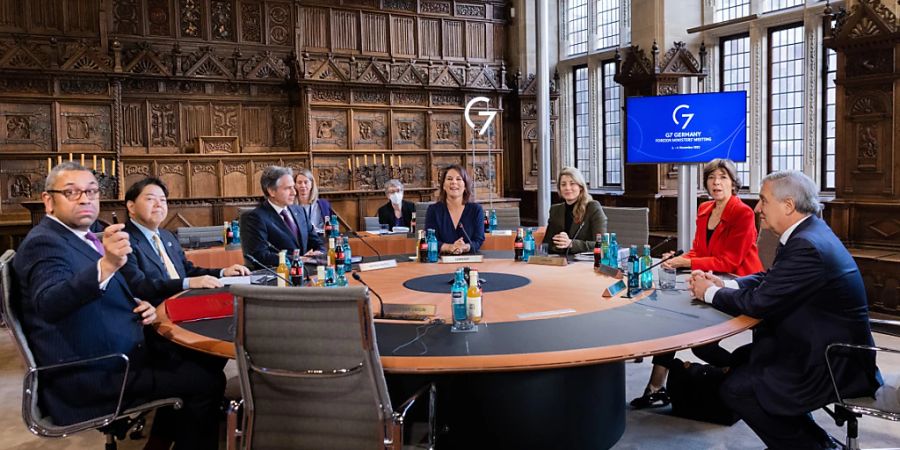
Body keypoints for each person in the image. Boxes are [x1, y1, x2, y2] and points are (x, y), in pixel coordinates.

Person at [13, 162, 223, 449]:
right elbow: (50, 303)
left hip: (114, 350)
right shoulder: (45, 242)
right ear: (48, 201)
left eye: (91, 191)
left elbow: (100, 290)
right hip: (94, 371)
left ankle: (161, 439)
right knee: (206, 381)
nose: (85, 199)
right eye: (71, 192)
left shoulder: (80, 237)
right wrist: (108, 264)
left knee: (205, 358)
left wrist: (136, 304)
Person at [689, 171, 881, 449]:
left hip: (834, 361)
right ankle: (813, 439)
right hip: (818, 344)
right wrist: (726, 283)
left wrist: (708, 292)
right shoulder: (807, 231)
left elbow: (760, 303)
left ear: (788, 205)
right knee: (744, 358)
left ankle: (815, 447)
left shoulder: (806, 244)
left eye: (763, 201)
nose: (757, 209)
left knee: (736, 389)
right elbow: (772, 279)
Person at [631, 159, 763, 408]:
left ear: (734, 183)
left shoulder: (743, 213)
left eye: (723, 177)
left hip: (739, 285)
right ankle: (656, 387)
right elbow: (698, 251)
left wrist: (687, 264)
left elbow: (730, 261)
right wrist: (679, 259)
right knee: (669, 319)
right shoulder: (704, 210)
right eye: (712, 178)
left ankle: (747, 377)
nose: (716, 183)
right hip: (709, 281)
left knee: (703, 347)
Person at [120, 177, 250, 305]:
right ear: (131, 207)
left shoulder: (167, 235)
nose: (159, 204)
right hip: (154, 312)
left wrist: (223, 273)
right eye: (150, 199)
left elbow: (187, 270)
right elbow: (139, 286)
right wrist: (188, 283)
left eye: (163, 200)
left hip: (184, 302)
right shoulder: (122, 240)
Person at [242, 165, 323, 268]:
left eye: (293, 187)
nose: (294, 192)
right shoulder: (256, 217)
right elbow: (260, 256)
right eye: (288, 188)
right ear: (271, 191)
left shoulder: (299, 210)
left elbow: (317, 242)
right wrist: (296, 259)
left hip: (306, 272)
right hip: (277, 276)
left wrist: (318, 252)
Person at [541, 166, 607, 255]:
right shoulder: (555, 210)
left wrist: (571, 244)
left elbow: (602, 244)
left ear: (580, 187)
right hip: (559, 261)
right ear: (559, 189)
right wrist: (559, 243)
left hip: (583, 263)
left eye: (572, 183)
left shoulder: (592, 207)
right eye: (563, 184)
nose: (567, 188)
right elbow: (547, 244)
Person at [425, 164, 485, 254]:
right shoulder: (433, 210)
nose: (454, 182)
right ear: (444, 186)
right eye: (449, 179)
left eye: (458, 179)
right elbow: (430, 240)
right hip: (441, 262)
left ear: (465, 186)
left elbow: (478, 240)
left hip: (469, 260)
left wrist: (465, 247)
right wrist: (450, 247)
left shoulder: (476, 210)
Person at [294, 168, 332, 234]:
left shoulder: (322, 204)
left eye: (306, 182)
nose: (303, 185)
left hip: (319, 238)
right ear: (295, 185)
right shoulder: (290, 205)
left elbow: (329, 227)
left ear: (311, 184)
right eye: (299, 182)